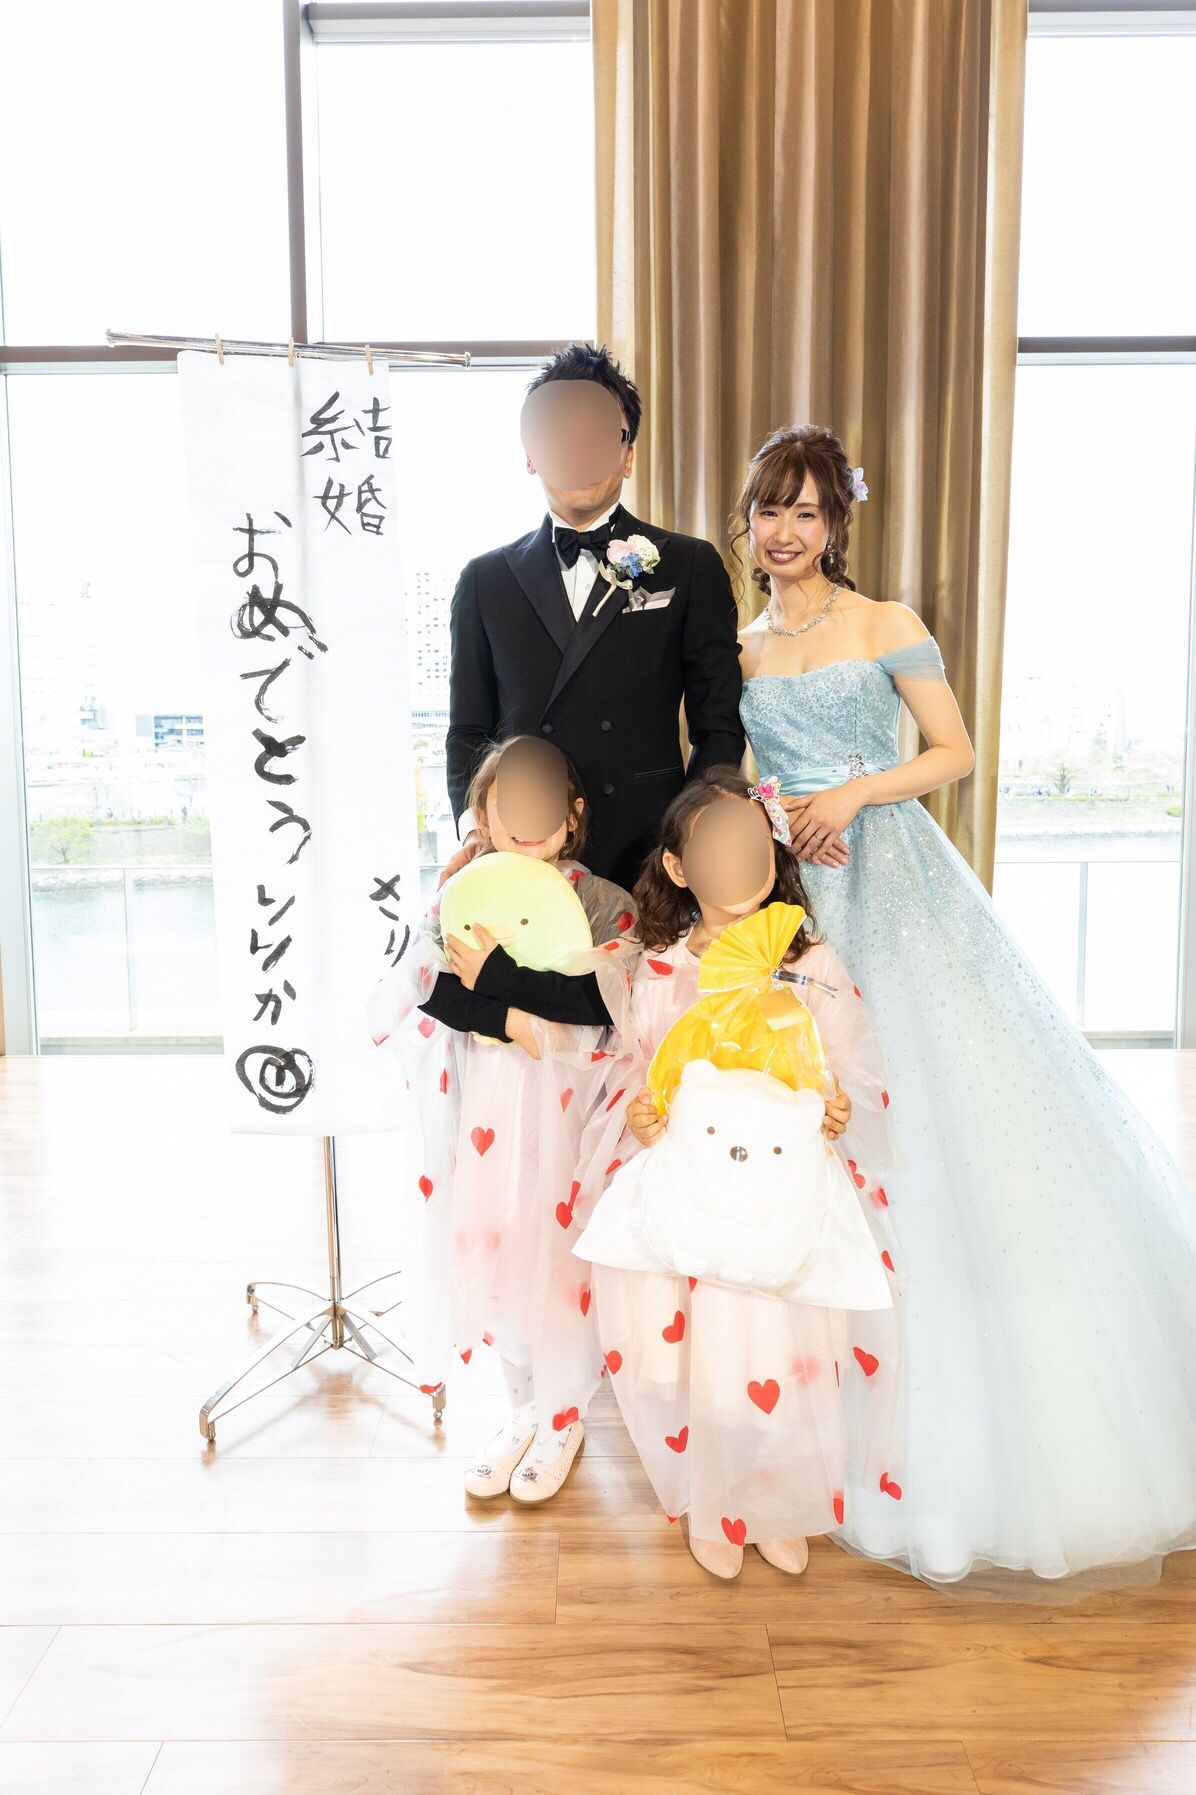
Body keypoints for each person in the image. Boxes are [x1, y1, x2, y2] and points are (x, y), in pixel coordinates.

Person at [735, 422, 1196, 1588]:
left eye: (804, 511)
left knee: (941, 1115)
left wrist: (853, 791)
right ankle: (827, 1398)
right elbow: (744, 776)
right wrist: (770, 813)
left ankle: (965, 1419)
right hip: (796, 891)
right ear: (746, 522)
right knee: (817, 1120)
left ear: (836, 524)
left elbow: (953, 751)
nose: (783, 531)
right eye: (767, 509)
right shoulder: (737, 647)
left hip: (894, 882)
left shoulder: (883, 621)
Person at [572, 771, 901, 1579]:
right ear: (678, 867)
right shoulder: (658, 967)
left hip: (783, 1193)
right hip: (694, 1192)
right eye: (712, 848)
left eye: (749, 845)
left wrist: (836, 1105)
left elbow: (849, 1063)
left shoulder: (808, 960)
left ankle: (774, 1495)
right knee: (708, 1359)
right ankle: (715, 1498)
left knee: (782, 1349)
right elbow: (639, 1066)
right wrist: (644, 1115)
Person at [368, 739, 639, 1503]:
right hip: (482, 1102)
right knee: (493, 1243)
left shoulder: (602, 900)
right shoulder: (460, 892)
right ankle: (518, 1409)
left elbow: (602, 1000)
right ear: (481, 815)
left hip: (568, 1105)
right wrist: (512, 1016)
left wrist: (500, 981)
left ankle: (562, 1417)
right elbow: (429, 987)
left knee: (558, 1254)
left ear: (572, 814)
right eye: (505, 799)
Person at [444, 343, 744, 890]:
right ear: (531, 453)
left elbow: (718, 725)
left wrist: (691, 834)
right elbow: (468, 730)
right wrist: (477, 832)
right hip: (524, 849)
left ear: (627, 453)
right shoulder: (484, 580)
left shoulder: (689, 564)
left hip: (650, 848)